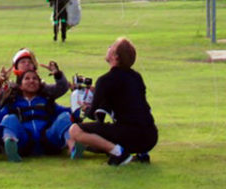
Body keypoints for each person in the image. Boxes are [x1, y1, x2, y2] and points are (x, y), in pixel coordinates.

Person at [67, 37, 158, 166]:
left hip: (129, 135)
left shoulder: (105, 80)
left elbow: (92, 115)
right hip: (150, 136)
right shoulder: (136, 77)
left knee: (75, 130)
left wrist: (84, 107)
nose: (108, 48)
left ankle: (119, 153)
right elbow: (128, 100)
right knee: (109, 134)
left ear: (115, 56)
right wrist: (96, 91)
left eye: (112, 47)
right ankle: (141, 154)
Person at [0, 48, 68, 160]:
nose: (27, 65)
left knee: (64, 118)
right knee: (7, 121)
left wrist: (58, 75)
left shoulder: (44, 93)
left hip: (46, 138)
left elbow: (61, 90)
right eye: (23, 62)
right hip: (22, 137)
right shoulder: (9, 93)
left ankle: (74, 144)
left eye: (29, 62)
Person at [0, 69, 74, 162]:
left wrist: (77, 102)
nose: (31, 81)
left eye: (35, 79)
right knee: (9, 119)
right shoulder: (13, 103)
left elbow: (69, 114)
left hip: (48, 141)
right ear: (20, 86)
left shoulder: (47, 102)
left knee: (64, 116)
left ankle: (73, 148)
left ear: (39, 84)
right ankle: (11, 147)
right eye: (27, 79)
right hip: (25, 143)